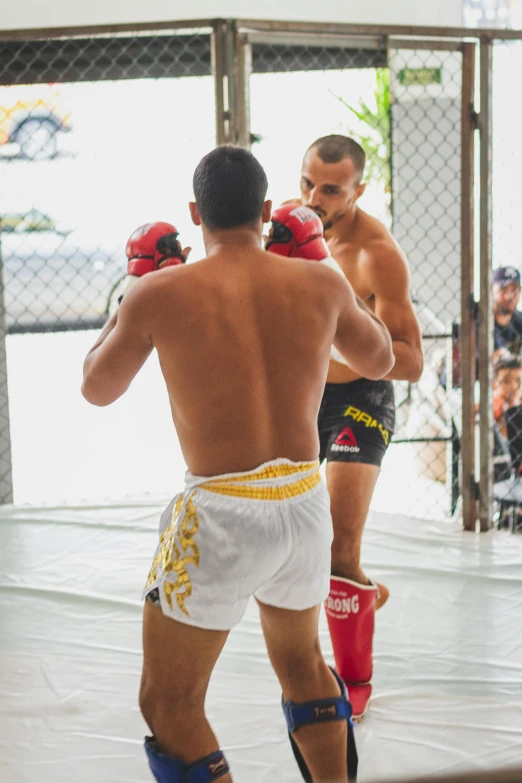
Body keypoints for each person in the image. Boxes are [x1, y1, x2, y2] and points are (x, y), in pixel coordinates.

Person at [81, 145, 394, 783]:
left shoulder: (160, 293)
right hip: (306, 506)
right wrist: (318, 262)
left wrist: (133, 289)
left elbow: (97, 386)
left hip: (221, 514)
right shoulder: (320, 280)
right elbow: (381, 359)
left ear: (195, 213)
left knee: (167, 703)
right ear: (265, 209)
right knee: (303, 666)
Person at [285, 134, 424, 719]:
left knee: (339, 550)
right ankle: (360, 592)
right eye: (307, 182)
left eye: (332, 189)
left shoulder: (376, 255)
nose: (315, 197)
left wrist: (337, 358)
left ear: (359, 190)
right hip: (303, 397)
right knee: (289, 542)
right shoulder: (287, 236)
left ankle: (354, 684)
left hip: (361, 399)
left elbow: (412, 360)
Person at [493, 266, 522, 357]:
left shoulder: (519, 319)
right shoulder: (480, 322)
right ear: (491, 290)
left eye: (514, 290)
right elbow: (497, 367)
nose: (509, 297)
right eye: (503, 289)